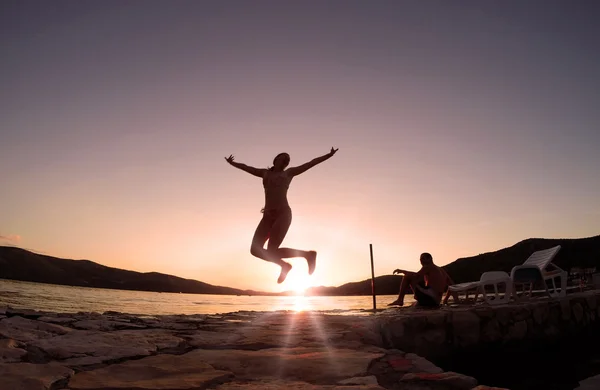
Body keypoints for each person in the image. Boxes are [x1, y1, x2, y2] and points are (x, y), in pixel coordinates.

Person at [225, 147, 338, 284]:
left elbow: (311, 163)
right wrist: (232, 163)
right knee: (255, 250)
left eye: (288, 160)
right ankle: (284, 265)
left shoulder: (289, 173)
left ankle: (308, 255)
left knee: (272, 250)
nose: (286, 160)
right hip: (267, 217)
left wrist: (329, 155)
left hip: (283, 214)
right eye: (284, 157)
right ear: (276, 159)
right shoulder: (265, 173)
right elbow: (247, 168)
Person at [387, 252, 458, 307]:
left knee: (407, 277)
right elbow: (452, 286)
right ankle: (418, 301)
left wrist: (402, 271)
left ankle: (400, 300)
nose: (421, 261)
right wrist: (447, 300)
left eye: (423, 259)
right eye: (420, 260)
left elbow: (415, 276)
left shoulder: (428, 266)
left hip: (430, 299)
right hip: (436, 301)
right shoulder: (442, 271)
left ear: (430, 259)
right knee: (414, 304)